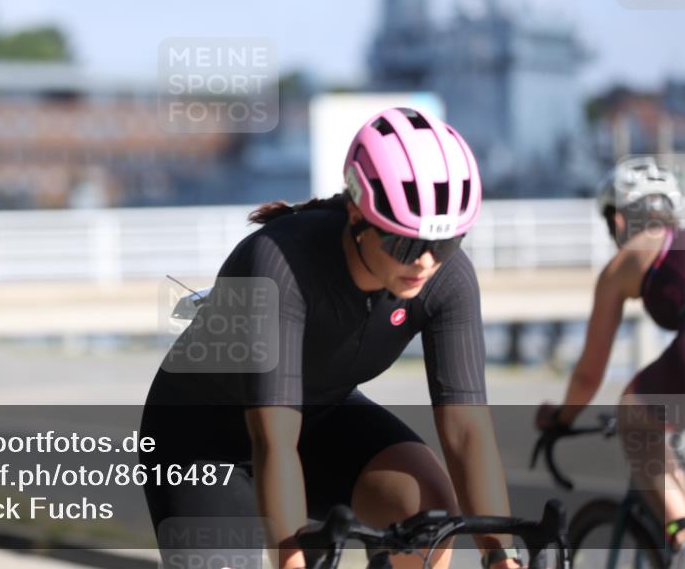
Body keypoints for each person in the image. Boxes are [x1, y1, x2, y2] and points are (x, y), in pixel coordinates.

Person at [141, 107, 524, 569]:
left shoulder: (448, 278)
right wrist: (290, 558)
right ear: (360, 216)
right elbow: (273, 440)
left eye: (445, 243)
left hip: (320, 421)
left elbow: (467, 432)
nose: (424, 261)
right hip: (204, 440)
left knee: (427, 513)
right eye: (405, 243)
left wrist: (500, 554)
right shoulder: (279, 263)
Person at [537, 156, 685, 552]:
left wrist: (561, 418)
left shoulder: (625, 261)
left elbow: (589, 373)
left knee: (634, 416)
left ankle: (682, 539)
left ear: (619, 220)